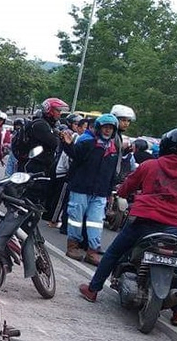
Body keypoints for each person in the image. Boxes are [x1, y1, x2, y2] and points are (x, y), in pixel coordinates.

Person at [78, 128, 177, 327]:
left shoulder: (150, 165)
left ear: (165, 146)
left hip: (142, 222)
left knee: (113, 253)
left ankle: (93, 290)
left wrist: (125, 194)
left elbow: (128, 186)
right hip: (172, 227)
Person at [0, 98, 67, 274]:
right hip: (33, 170)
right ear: (49, 110)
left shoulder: (46, 124)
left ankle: (20, 232)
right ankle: (17, 234)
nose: (59, 114)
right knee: (27, 204)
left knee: (32, 205)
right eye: (57, 110)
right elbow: (54, 143)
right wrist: (57, 135)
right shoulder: (41, 125)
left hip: (39, 171)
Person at [62, 113, 120, 265]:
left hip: (100, 192)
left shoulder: (113, 149)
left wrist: (110, 192)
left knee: (96, 221)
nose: (107, 131)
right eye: (105, 128)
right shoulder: (87, 143)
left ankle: (92, 250)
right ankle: (73, 245)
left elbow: (112, 173)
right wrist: (67, 144)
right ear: (99, 128)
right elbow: (74, 155)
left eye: (110, 128)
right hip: (81, 188)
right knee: (76, 218)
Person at [110, 104, 136, 182]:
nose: (126, 123)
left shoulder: (118, 135)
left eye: (128, 121)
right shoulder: (113, 135)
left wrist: (126, 151)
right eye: (123, 120)